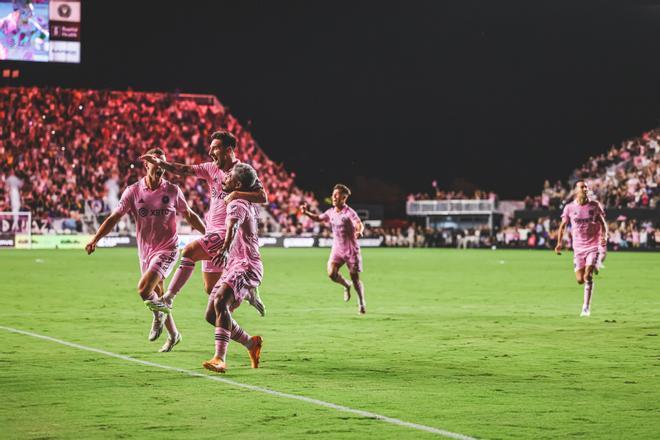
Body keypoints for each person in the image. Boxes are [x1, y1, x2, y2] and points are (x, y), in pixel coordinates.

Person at [85, 148, 206, 352]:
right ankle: (174, 334)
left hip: (168, 249)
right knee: (157, 293)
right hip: (145, 251)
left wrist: (210, 234)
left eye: (163, 164)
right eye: (156, 163)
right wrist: (96, 238)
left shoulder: (172, 190)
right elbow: (115, 217)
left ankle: (157, 315)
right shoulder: (133, 191)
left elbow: (190, 215)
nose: (160, 168)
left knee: (144, 289)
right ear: (146, 165)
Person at [140, 131, 266, 316]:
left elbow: (262, 196)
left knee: (189, 251)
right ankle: (247, 293)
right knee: (210, 288)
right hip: (211, 231)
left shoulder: (241, 172)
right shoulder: (210, 168)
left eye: (215, 147)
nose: (210, 151)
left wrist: (237, 194)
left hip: (226, 233)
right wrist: (161, 163)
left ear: (228, 150)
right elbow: (184, 169)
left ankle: (168, 298)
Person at [202, 163, 264, 374]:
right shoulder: (247, 199)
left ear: (237, 184)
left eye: (228, 177)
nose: (224, 179)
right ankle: (251, 343)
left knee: (221, 302)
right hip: (237, 265)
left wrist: (226, 248)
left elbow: (233, 225)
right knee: (212, 315)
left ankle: (220, 358)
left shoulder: (236, 202)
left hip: (245, 265)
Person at [299, 184, 366, 314]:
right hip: (337, 249)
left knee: (355, 278)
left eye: (337, 195)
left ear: (344, 198)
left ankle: (361, 302)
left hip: (351, 250)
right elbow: (319, 218)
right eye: (333, 194)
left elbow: (358, 224)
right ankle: (346, 285)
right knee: (331, 274)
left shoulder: (349, 213)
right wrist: (306, 212)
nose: (334, 197)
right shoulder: (330, 212)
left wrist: (359, 231)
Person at [555, 180, 608, 317]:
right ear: (576, 190)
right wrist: (559, 243)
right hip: (578, 248)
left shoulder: (595, 206)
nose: (585, 188)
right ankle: (593, 266)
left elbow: (603, 223)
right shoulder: (569, 208)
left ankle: (586, 307)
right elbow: (562, 226)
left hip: (593, 245)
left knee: (587, 275)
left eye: (586, 187)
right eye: (582, 187)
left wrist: (604, 236)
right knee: (580, 280)